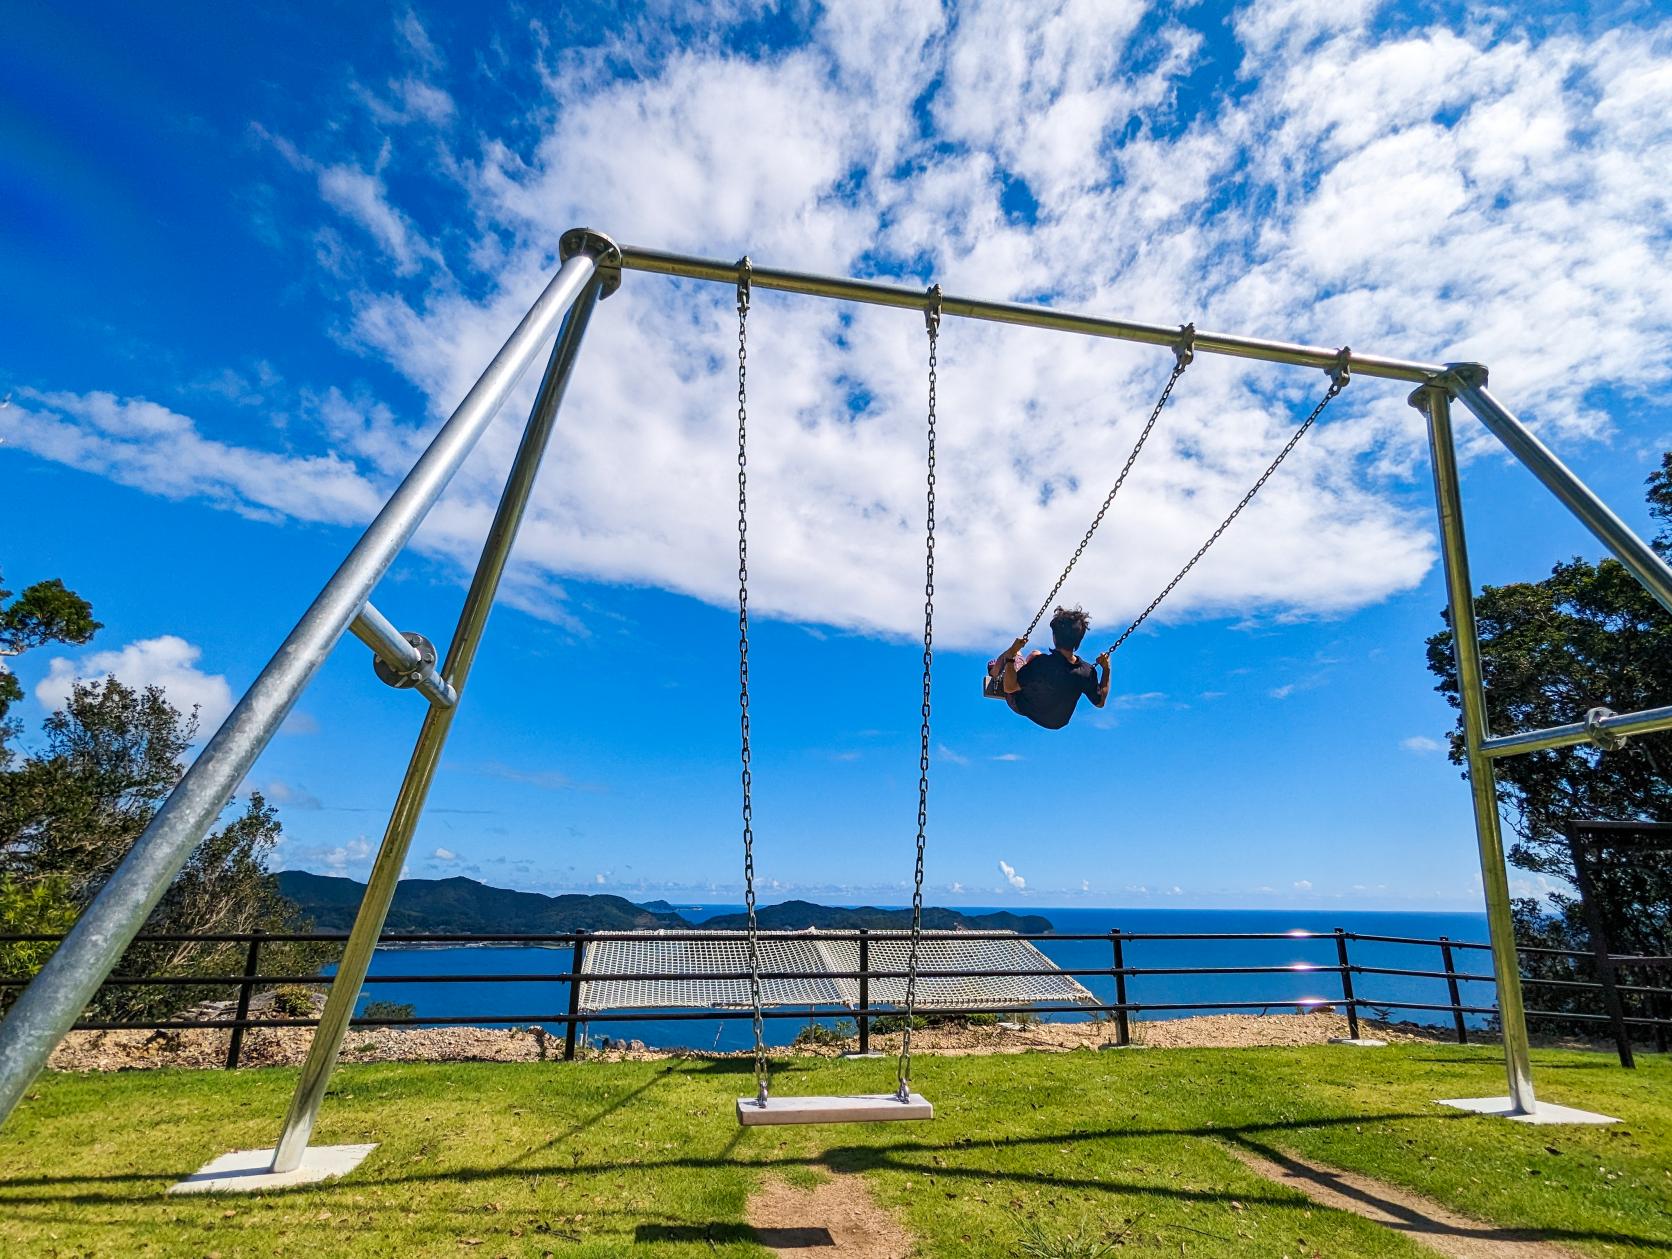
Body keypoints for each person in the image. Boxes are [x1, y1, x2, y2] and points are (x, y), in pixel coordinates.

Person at [985, 606, 1111, 729]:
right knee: (1035, 656)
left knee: (1020, 655)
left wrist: (1011, 654)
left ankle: (995, 672)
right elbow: (1100, 702)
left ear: (1054, 637)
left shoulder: (1042, 664)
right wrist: (1106, 669)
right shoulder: (1086, 672)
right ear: (1079, 639)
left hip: (1022, 705)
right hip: (1056, 722)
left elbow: (1010, 687)